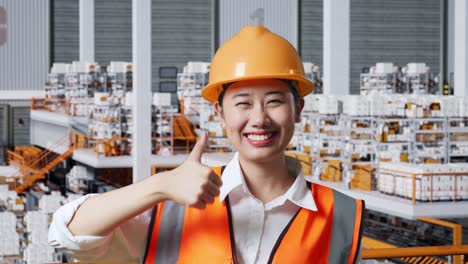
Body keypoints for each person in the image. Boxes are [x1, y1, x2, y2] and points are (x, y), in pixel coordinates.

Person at [49, 25, 364, 263]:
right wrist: (161, 185)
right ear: (221, 114)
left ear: (298, 110)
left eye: (274, 101)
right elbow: (68, 234)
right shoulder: (174, 204)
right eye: (243, 103)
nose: (259, 119)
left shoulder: (343, 215)